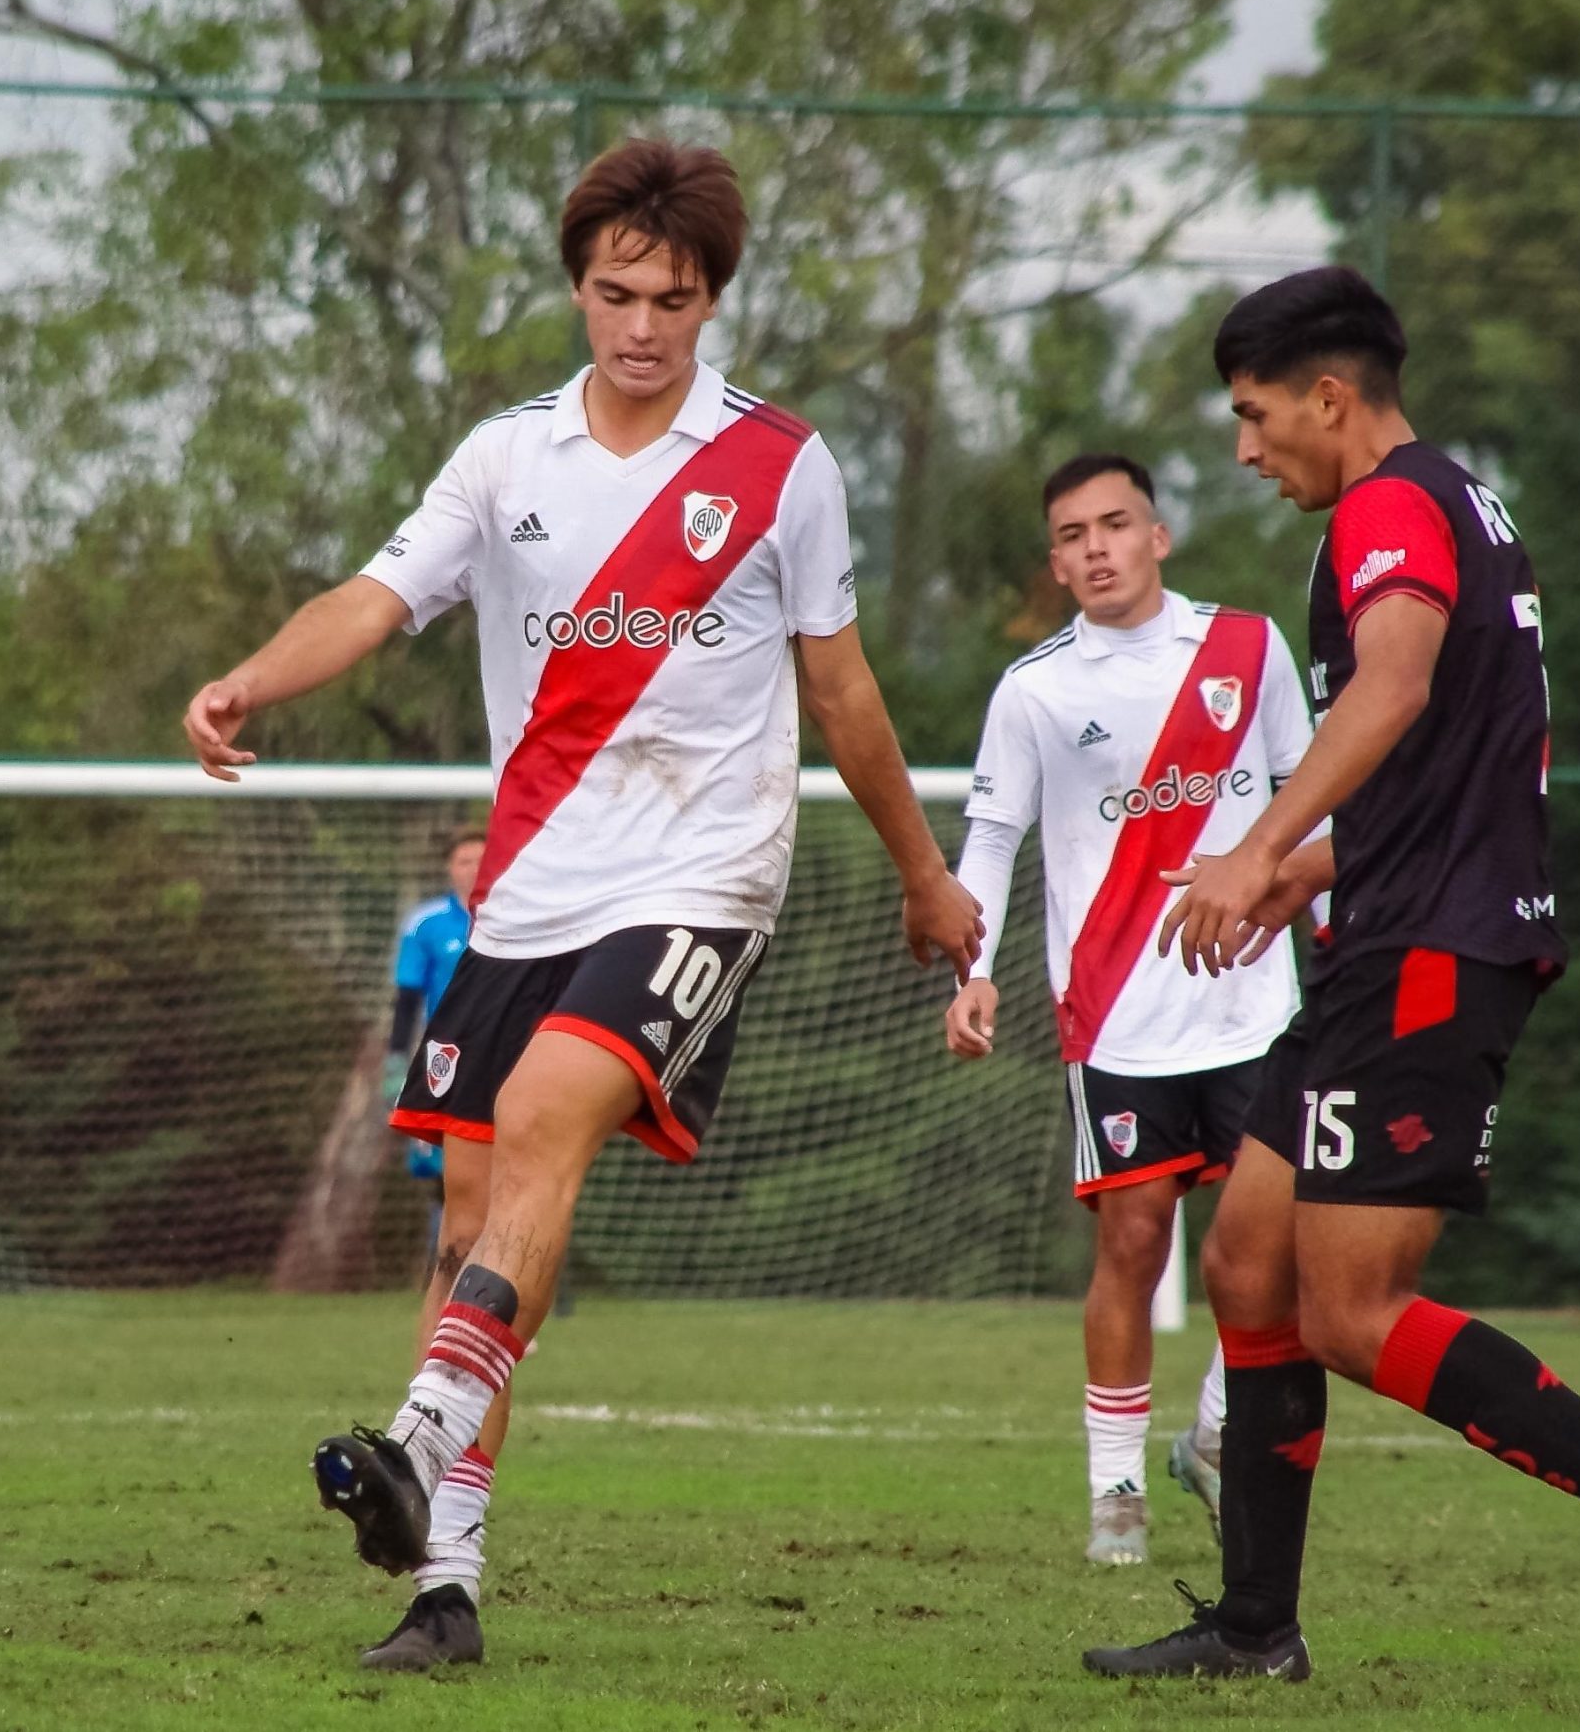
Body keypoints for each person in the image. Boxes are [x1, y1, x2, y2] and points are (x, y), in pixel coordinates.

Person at [181, 137, 980, 1674]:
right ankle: (444, 1588)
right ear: (577, 286)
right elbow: (375, 595)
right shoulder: (506, 457)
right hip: (532, 888)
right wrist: (247, 677)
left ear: (711, 299)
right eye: (615, 293)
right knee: (472, 1223)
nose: (639, 325)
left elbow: (844, 687)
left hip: (701, 875)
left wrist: (923, 870)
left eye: (671, 299)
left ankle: (415, 1427)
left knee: (551, 1117)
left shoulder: (780, 466)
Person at [1082, 267, 1580, 1693]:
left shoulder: (1387, 506)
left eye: (1257, 417)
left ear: (1332, 397)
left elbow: (1391, 690)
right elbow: (1449, 754)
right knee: (1249, 1260)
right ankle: (1256, 1625)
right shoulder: (1457, 499)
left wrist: (1253, 840)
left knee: (1349, 1306)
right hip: (1390, 931)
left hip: (1433, 954)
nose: (1249, 449)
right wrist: (1304, 868)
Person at [946, 452, 1314, 1566]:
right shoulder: (1036, 688)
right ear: (1055, 563)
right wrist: (969, 967)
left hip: (1255, 1001)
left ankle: (1212, 1427)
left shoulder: (1248, 648)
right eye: (1072, 534)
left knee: (1282, 1239)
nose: (1096, 547)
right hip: (1113, 1014)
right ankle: (1114, 1491)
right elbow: (994, 832)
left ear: (1159, 535)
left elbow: (1310, 794)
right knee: (1137, 1234)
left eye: (1116, 524)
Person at [387, 830, 485, 1266]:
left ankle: (510, 1280)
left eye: (482, 858)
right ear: (450, 867)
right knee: (440, 1169)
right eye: (464, 860)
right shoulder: (426, 923)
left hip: (505, 1051)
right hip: (442, 1057)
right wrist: (395, 1061)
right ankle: (443, 1273)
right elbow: (407, 998)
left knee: (507, 1160)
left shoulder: (516, 915)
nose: (473, 868)